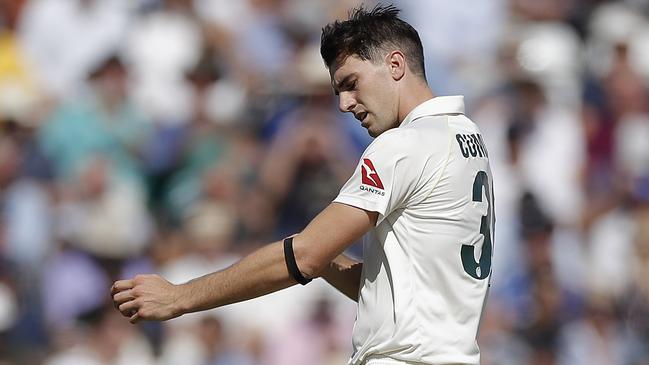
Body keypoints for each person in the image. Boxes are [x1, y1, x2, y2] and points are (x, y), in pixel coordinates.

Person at [111, 4, 495, 365]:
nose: (345, 104)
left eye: (351, 83)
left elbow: (304, 257)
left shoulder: (402, 144)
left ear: (395, 64)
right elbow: (397, 292)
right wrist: (329, 258)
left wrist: (180, 296)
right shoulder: (468, 139)